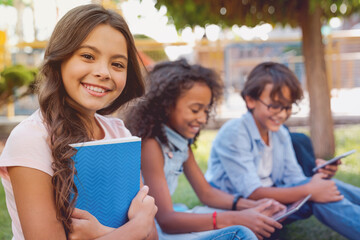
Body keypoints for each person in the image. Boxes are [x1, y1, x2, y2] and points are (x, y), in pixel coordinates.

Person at [0, 4, 157, 240]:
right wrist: (137, 226)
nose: (104, 72)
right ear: (60, 58)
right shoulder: (31, 138)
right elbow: (142, 230)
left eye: (117, 64)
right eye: (87, 56)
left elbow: (152, 236)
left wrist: (103, 234)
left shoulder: (119, 133)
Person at [126, 59, 284, 240]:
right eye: (195, 110)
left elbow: (206, 193)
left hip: (166, 225)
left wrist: (250, 206)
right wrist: (235, 218)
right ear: (165, 106)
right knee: (241, 233)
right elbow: (166, 220)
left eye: (206, 111)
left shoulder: (181, 143)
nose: (202, 118)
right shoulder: (150, 145)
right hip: (153, 232)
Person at [205, 61, 360, 240]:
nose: (282, 114)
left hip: (272, 201)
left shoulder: (279, 133)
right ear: (250, 100)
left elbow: (295, 179)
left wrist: (316, 182)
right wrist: (311, 189)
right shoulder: (234, 133)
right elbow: (253, 192)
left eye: (287, 107)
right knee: (316, 194)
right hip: (240, 208)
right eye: (275, 105)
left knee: (324, 190)